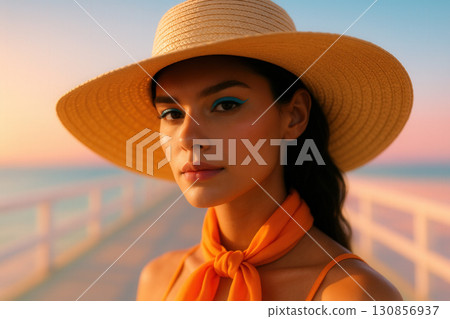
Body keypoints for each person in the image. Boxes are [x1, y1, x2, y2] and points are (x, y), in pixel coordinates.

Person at [56, 0, 413, 301]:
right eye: (171, 113)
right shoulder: (158, 278)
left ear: (294, 116)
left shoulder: (352, 295)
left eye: (226, 105)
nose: (187, 137)